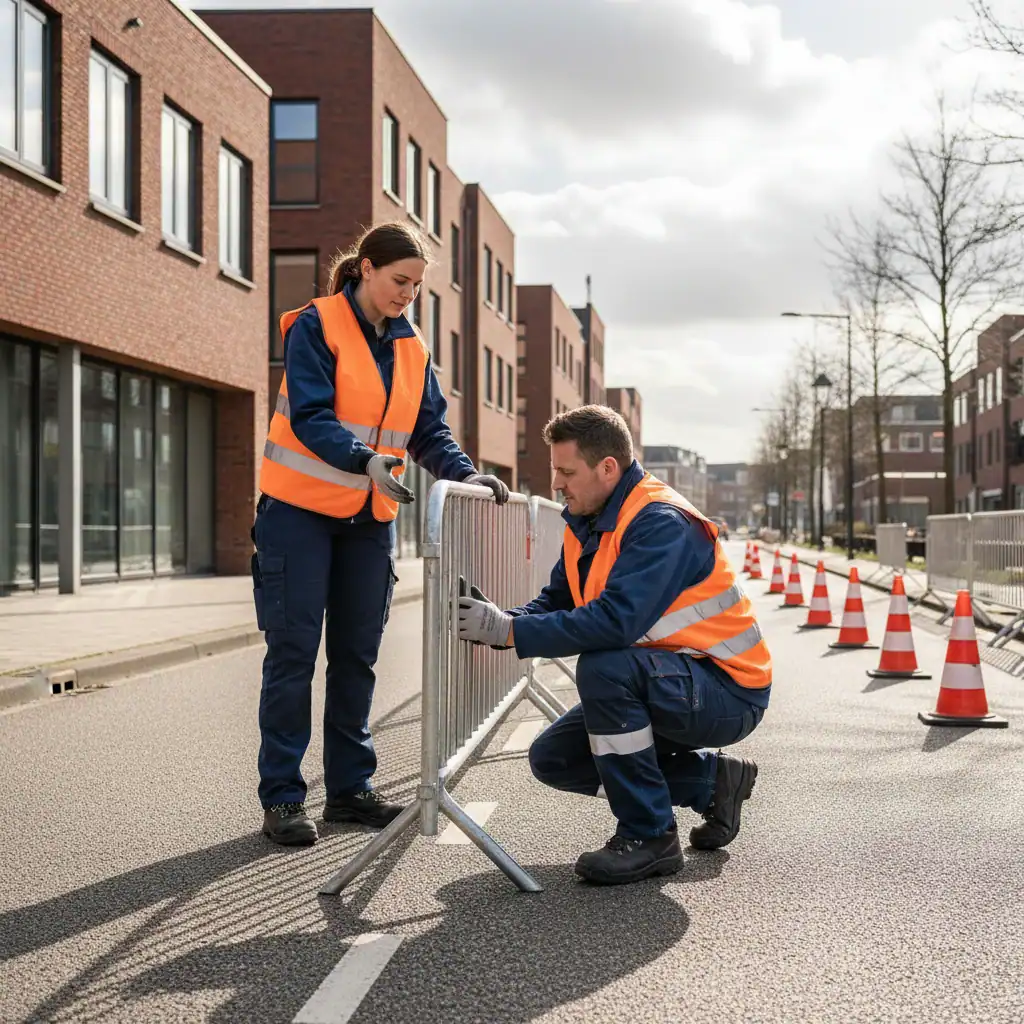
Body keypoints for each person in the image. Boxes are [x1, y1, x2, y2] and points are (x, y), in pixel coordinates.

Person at [254, 221, 509, 846]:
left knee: (357, 657)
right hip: (298, 513)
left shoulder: (412, 348)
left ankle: (348, 789)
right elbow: (311, 416)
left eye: (417, 287)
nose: (407, 295)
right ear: (366, 268)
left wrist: (468, 475)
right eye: (400, 281)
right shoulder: (316, 326)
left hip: (367, 522)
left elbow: (428, 433)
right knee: (292, 657)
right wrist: (364, 458)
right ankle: (284, 798)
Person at [457, 405, 770, 885]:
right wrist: (503, 621)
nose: (557, 484)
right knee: (556, 759)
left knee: (605, 665)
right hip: (673, 680)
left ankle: (650, 837)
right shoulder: (591, 516)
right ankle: (712, 783)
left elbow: (616, 623)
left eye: (566, 471)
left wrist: (510, 633)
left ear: (608, 468)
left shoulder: (661, 522)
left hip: (725, 690)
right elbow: (556, 600)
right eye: (554, 471)